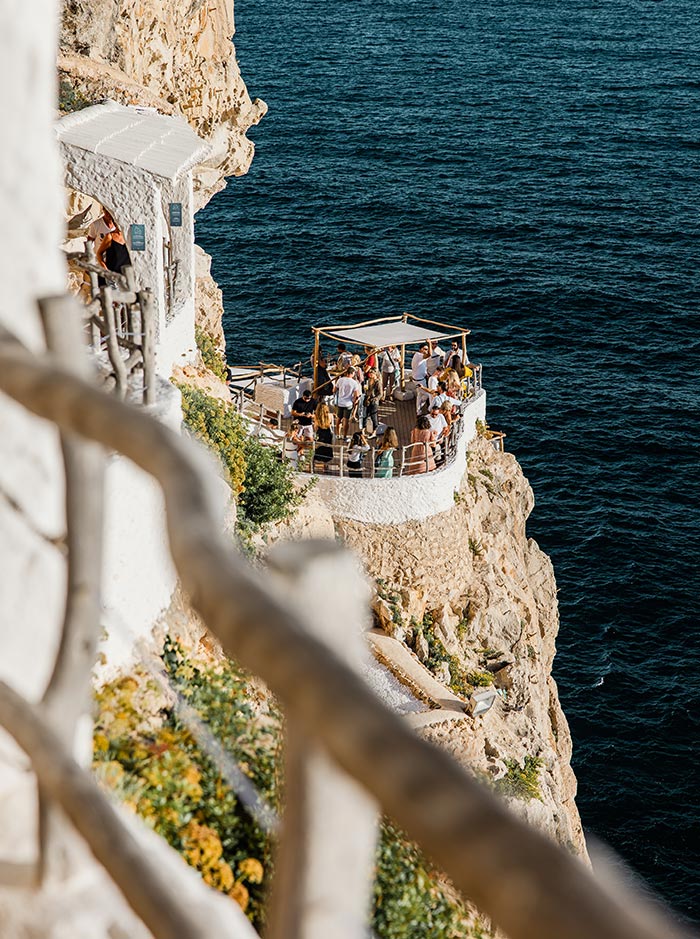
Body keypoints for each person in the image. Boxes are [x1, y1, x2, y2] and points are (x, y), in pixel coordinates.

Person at [334, 366, 361, 439]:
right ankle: (344, 436)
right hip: (348, 403)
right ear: (352, 373)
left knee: (338, 419)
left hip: (340, 403)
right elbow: (357, 395)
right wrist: (355, 401)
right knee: (346, 421)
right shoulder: (354, 383)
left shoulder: (340, 380)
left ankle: (338, 434)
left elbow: (334, 390)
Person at [313, 401, 334, 473]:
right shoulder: (330, 415)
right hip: (327, 433)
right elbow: (331, 426)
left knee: (319, 448)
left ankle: (314, 464)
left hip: (320, 432)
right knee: (327, 448)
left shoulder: (316, 416)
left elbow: (315, 427)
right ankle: (325, 466)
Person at [411, 343, 430, 414]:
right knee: (428, 395)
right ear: (420, 349)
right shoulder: (419, 356)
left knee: (419, 394)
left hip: (419, 379)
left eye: (427, 349)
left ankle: (418, 410)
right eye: (424, 349)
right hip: (419, 381)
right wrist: (430, 343)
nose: (426, 351)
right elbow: (429, 355)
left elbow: (421, 366)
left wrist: (425, 373)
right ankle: (424, 407)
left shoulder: (420, 356)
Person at [363, 368, 383, 434]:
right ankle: (363, 430)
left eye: (372, 373)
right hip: (367, 400)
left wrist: (375, 399)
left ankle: (374, 431)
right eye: (370, 373)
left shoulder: (378, 382)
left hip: (373, 401)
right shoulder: (368, 381)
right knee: (365, 415)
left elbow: (380, 394)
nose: (370, 374)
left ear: (375, 374)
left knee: (373, 416)